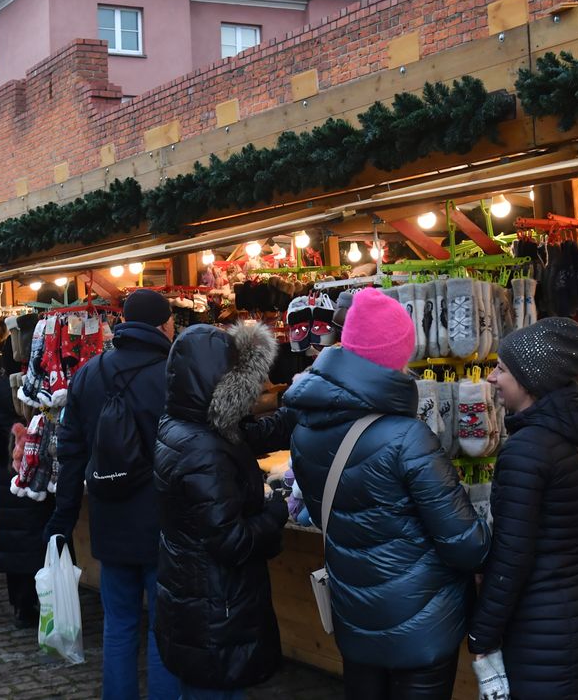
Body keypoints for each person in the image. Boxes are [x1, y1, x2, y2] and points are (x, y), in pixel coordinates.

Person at [287, 287, 490, 700]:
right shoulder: (407, 438)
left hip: (357, 617)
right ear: (398, 357)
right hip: (422, 624)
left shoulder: (305, 431)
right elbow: (465, 545)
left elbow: (326, 518)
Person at [468, 317, 578, 700]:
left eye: (501, 369)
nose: (492, 379)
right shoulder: (575, 436)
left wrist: (481, 633)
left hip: (544, 628)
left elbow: (512, 558)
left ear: (529, 380)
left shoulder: (527, 449)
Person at [45, 289, 179, 700]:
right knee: (164, 629)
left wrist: (62, 519)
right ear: (162, 324)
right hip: (162, 521)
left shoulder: (89, 373)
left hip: (110, 518)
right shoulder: (172, 374)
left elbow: (69, 451)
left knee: (119, 625)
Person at [154, 322, 290, 700]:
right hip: (215, 611)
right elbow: (230, 540)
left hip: (196, 601)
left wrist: (293, 411)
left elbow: (246, 436)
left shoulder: (183, 425)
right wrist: (274, 514)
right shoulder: (204, 448)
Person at [0, 335, 53, 630]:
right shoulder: (36, 387)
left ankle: (21, 604)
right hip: (34, 471)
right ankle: (45, 602)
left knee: (15, 542)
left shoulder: (0, 388)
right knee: (39, 540)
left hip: (7, 473)